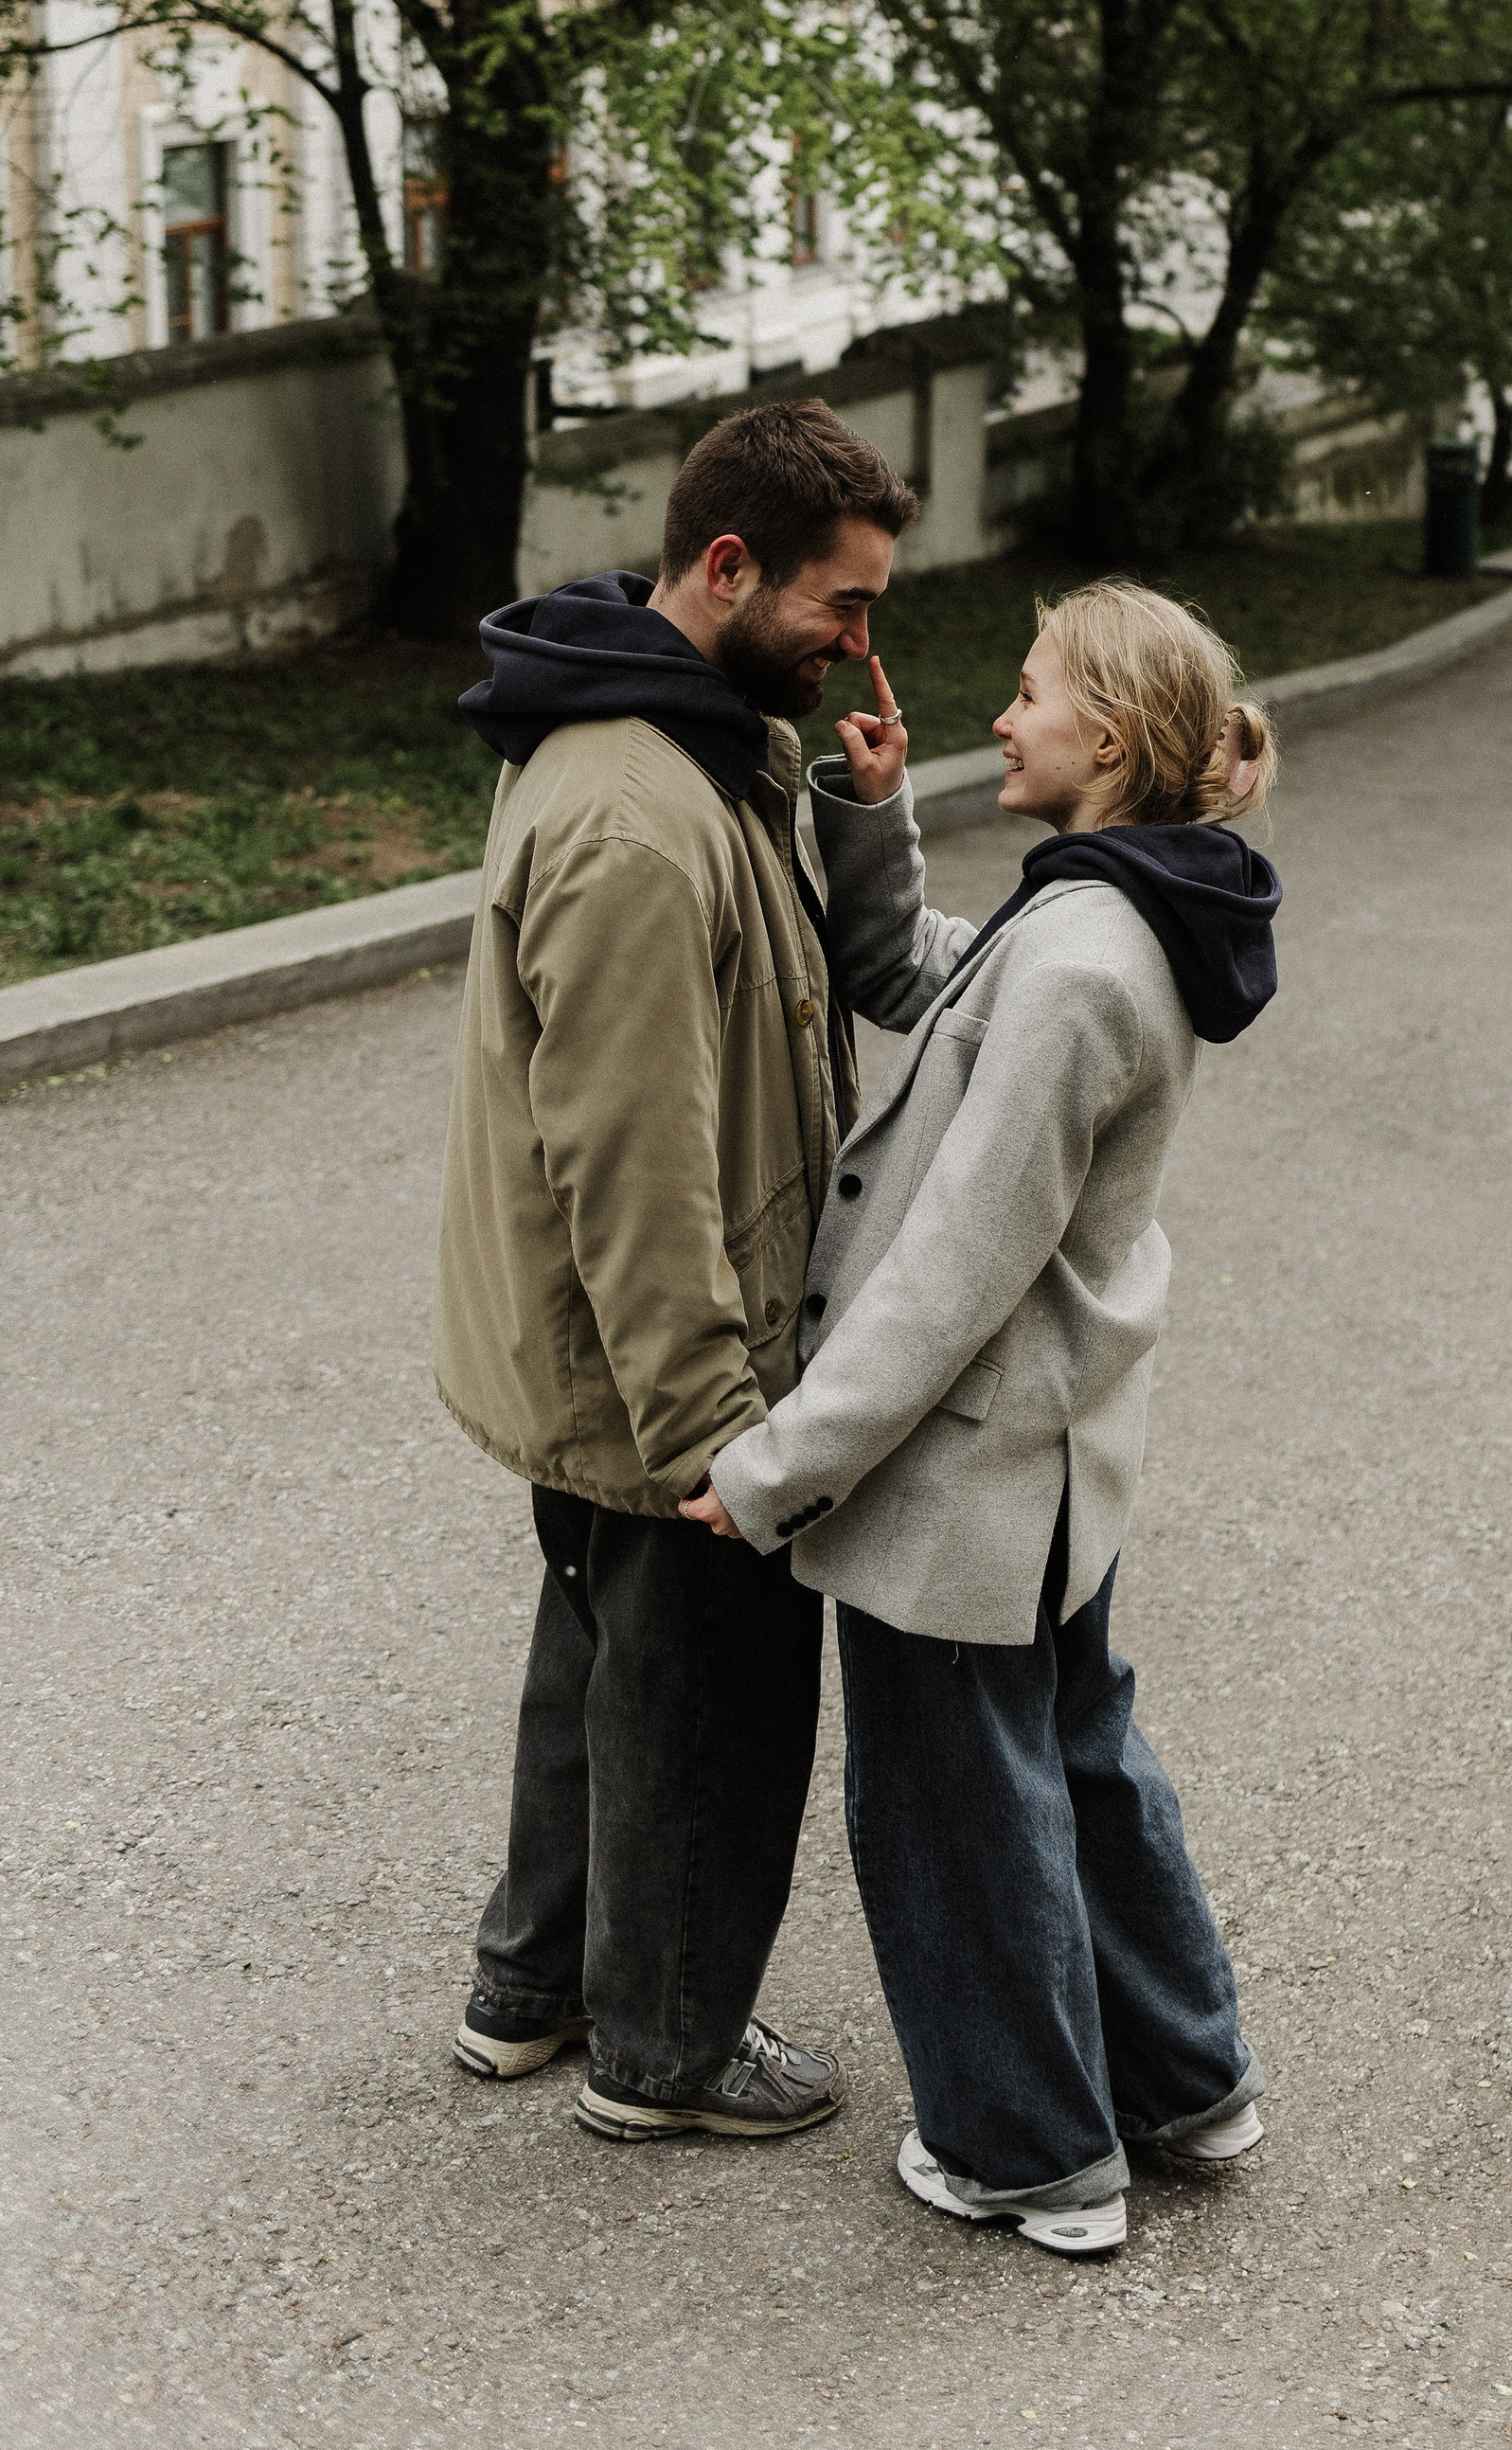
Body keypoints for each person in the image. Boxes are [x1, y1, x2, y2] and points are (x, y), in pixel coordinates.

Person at [685, 577, 1281, 2258]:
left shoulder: (1086, 960)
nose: (1000, 716)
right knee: (1080, 1767)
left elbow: (951, 1274)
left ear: (1108, 735)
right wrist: (872, 819)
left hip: (968, 1480)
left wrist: (780, 1470)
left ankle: (1028, 2154)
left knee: (954, 1811)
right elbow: (930, 983)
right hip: (1053, 1469)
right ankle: (1185, 2083)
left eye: (1029, 694)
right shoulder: (1116, 909)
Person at [432, 396, 918, 2142]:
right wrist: (723, 1432)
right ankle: (667, 2053)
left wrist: (856, 810)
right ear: (728, 567)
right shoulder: (642, 818)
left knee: (603, 1658)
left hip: (605, 1352)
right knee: (708, 1690)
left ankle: (532, 1989)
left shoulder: (680, 732)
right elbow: (632, 1162)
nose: (864, 646)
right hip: (664, 1352)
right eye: (840, 608)